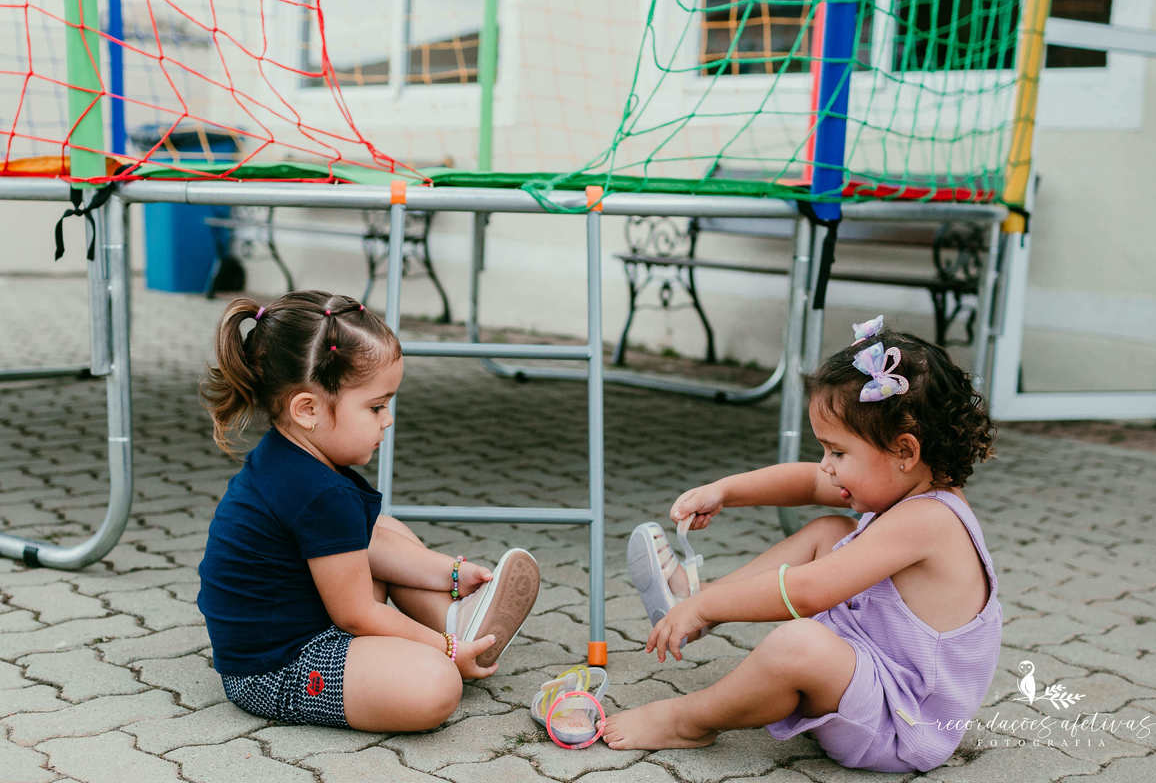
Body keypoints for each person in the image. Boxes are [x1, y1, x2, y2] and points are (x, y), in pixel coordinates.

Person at [608, 315, 1000, 773]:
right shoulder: (901, 483)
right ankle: (692, 599)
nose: (826, 465)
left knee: (798, 643)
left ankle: (687, 719)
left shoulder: (929, 519)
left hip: (901, 727)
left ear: (904, 451)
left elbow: (807, 591)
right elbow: (808, 482)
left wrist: (715, 608)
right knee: (830, 530)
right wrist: (727, 491)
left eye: (837, 452)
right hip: (870, 678)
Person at [197, 291, 540, 733]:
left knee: (382, 528)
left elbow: (366, 545)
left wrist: (451, 573)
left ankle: (455, 617)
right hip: (279, 668)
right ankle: (452, 637)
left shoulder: (290, 458)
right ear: (307, 409)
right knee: (435, 685)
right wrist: (444, 653)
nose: (388, 419)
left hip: (314, 617)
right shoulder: (317, 492)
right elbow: (356, 614)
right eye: (376, 406)